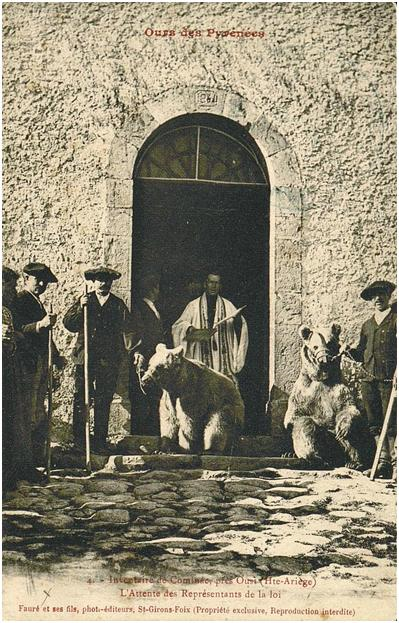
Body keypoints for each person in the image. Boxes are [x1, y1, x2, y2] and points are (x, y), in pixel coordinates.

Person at [63, 266, 140, 451]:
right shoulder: (85, 300)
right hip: (85, 356)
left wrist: (133, 351)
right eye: (100, 279)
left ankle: (99, 441)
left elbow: (129, 329)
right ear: (93, 281)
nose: (103, 283)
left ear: (111, 283)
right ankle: (80, 441)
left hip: (108, 359)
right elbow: (69, 324)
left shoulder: (117, 304)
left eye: (107, 280)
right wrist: (80, 308)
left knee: (104, 398)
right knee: (82, 397)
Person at [344, 280, 397, 479]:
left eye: (382, 294)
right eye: (374, 296)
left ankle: (395, 462)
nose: (378, 299)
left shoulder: (395, 320)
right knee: (374, 421)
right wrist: (347, 351)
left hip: (389, 381)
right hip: (369, 380)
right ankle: (382, 462)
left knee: (391, 421)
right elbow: (360, 353)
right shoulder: (367, 325)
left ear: (388, 296)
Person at [12, 262, 61, 467]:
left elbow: (45, 338)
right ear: (26, 279)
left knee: (38, 409)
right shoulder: (20, 300)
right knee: (29, 411)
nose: (41, 284)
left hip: (40, 361)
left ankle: (36, 458)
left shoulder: (37, 302)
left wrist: (57, 357)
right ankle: (25, 462)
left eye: (45, 282)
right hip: (27, 363)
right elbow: (17, 328)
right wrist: (40, 325)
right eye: (37, 279)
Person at [3, 267, 44, 488]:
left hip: (10, 371)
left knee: (16, 421)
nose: (12, 291)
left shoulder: (7, 311)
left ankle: (16, 470)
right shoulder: (15, 304)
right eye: (8, 286)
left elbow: (16, 333)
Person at [172, 272, 248, 386]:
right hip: (201, 362)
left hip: (224, 367)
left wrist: (238, 322)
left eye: (217, 283)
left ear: (220, 286)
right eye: (211, 282)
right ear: (205, 284)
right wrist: (189, 328)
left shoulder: (228, 306)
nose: (214, 286)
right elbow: (177, 326)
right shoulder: (193, 306)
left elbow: (241, 329)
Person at [131, 274, 165, 435]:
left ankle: (152, 427)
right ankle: (143, 429)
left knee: (152, 391)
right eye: (157, 287)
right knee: (143, 391)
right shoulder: (140, 308)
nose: (159, 291)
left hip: (154, 355)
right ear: (152, 289)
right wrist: (139, 352)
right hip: (145, 355)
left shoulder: (153, 307)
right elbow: (139, 332)